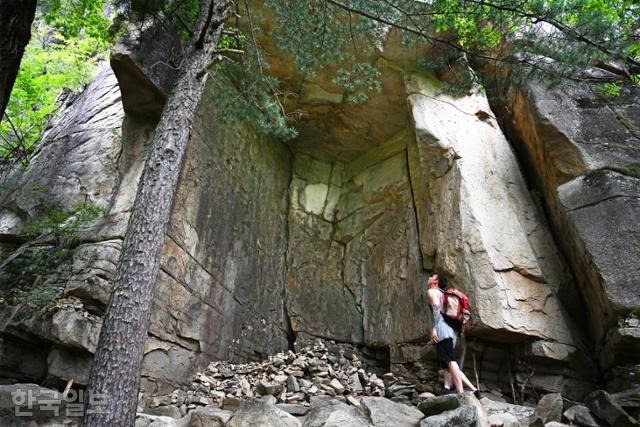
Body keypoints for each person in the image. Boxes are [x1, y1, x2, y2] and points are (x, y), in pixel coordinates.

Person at [426, 272, 481, 398]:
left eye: (432, 277)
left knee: (450, 360)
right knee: (447, 363)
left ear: (436, 282)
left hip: (443, 328)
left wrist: (434, 328)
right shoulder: (444, 294)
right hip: (452, 330)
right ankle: (471, 389)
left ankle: (460, 393)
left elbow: (436, 309)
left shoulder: (432, 292)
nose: (428, 278)